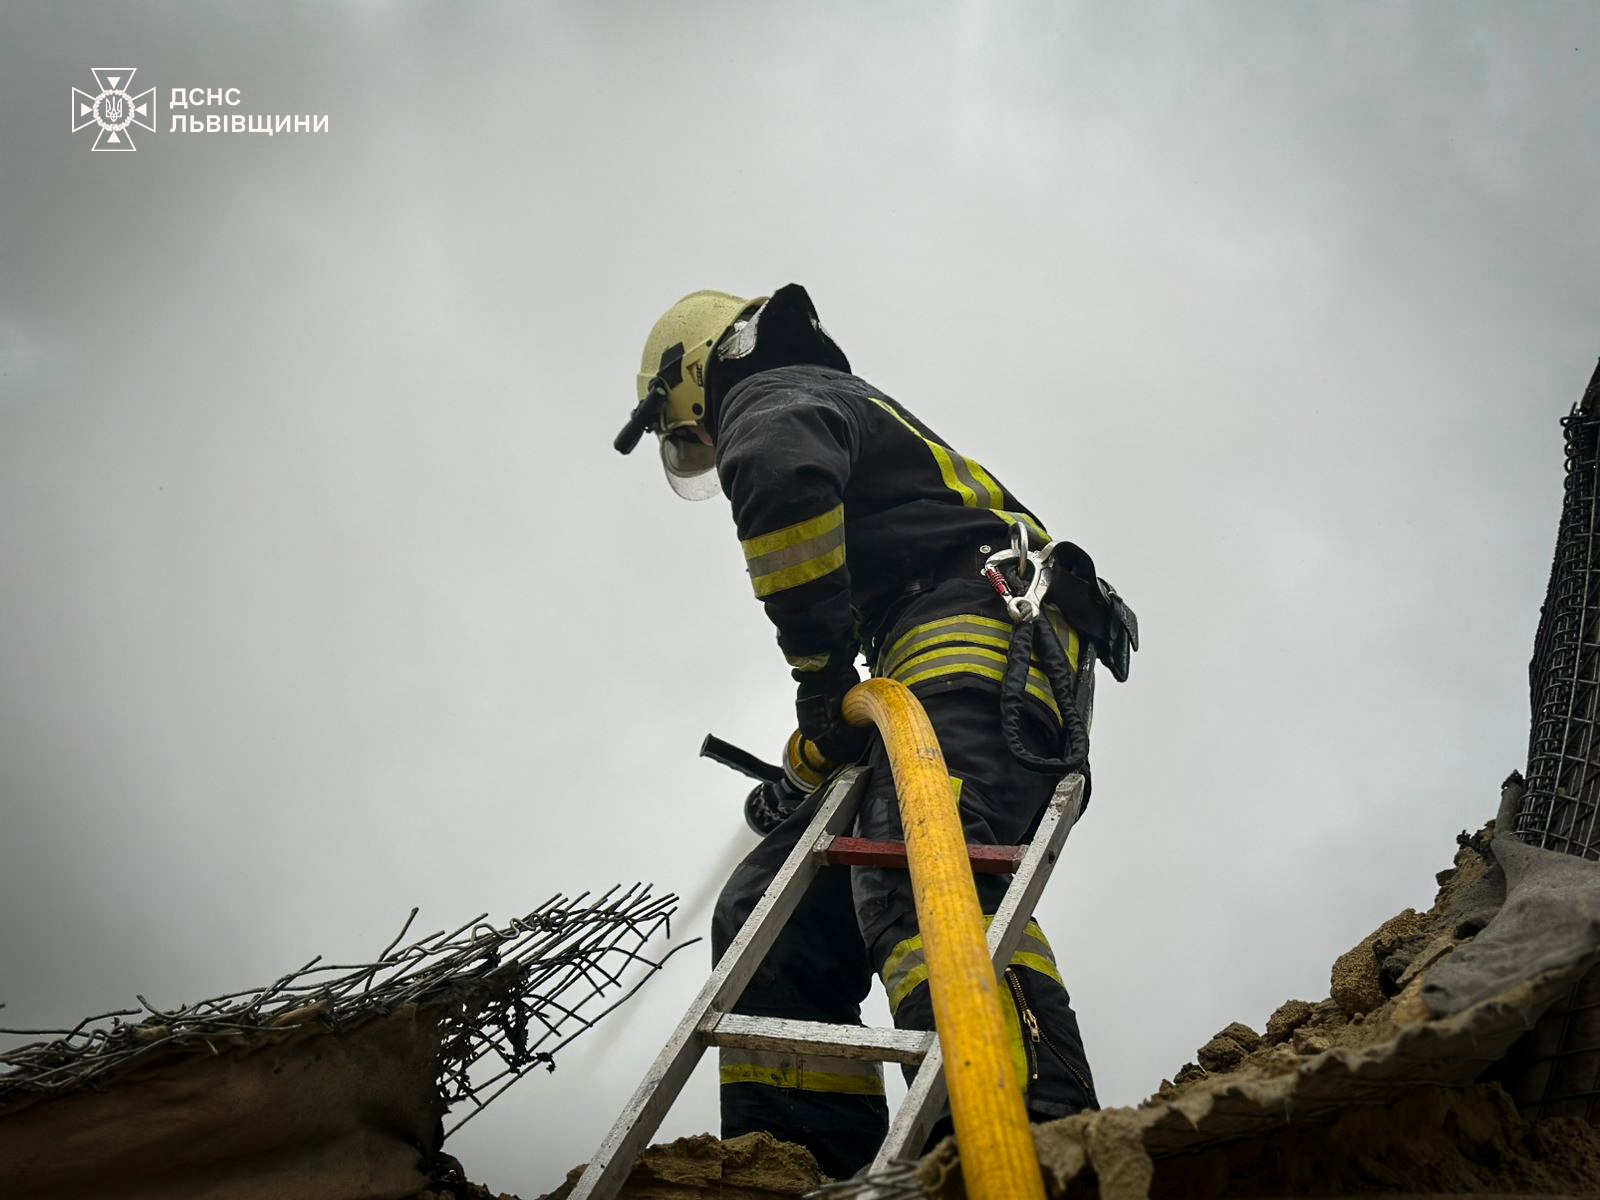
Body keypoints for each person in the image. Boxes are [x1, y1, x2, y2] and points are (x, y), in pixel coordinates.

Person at [613, 284, 1135, 1178]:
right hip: (927, 648)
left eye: (689, 433)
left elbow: (778, 472)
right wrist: (809, 765)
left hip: (974, 629)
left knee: (918, 874)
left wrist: (823, 688)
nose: (707, 446)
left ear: (694, 377)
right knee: (764, 920)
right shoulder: (825, 404)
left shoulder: (775, 397)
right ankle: (804, 1167)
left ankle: (1027, 1139)